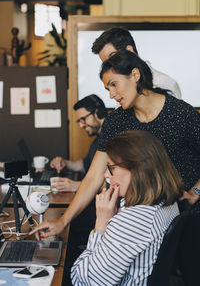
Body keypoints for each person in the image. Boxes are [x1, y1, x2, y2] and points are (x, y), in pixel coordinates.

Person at [29, 50, 200, 241]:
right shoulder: (116, 121)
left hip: (184, 219)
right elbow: (94, 177)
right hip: (139, 221)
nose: (111, 95)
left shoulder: (182, 114)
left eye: (113, 85)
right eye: (107, 89)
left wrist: (196, 192)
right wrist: (63, 221)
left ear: (135, 75)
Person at [71, 130, 183, 285]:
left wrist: (101, 223)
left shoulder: (133, 220)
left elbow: (86, 281)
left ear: (138, 170)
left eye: (111, 168)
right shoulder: (166, 201)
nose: (106, 175)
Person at [92, 27, 182, 99]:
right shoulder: (120, 89)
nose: (109, 67)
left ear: (129, 51)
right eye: (105, 64)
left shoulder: (163, 83)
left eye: (113, 57)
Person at [50, 94, 107, 192]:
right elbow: (85, 165)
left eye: (83, 119)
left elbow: (116, 182)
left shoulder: (114, 139)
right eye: (79, 121)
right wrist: (65, 163)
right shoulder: (97, 141)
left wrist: (77, 185)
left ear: (97, 113)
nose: (81, 125)